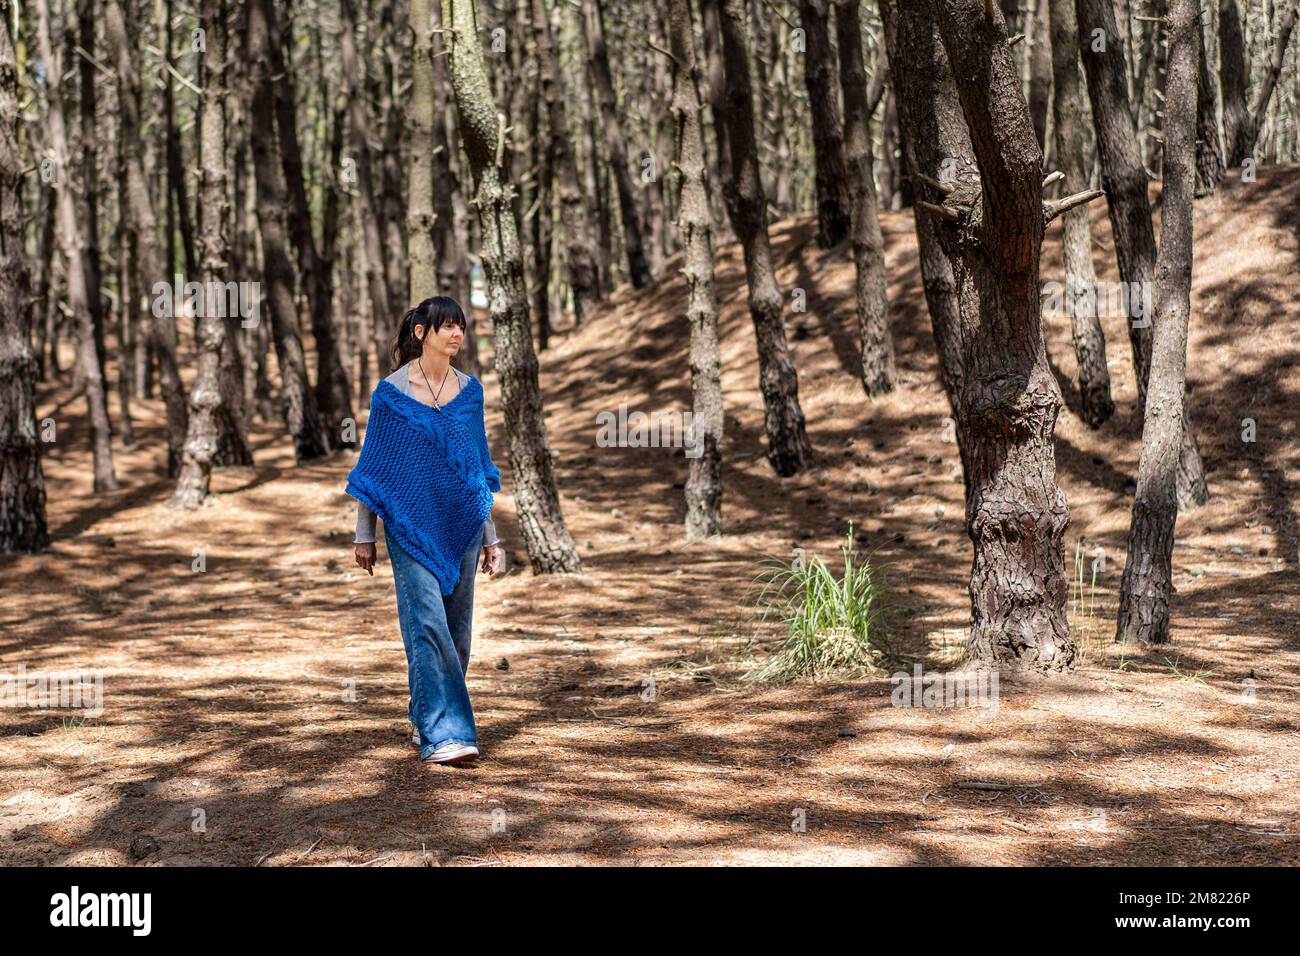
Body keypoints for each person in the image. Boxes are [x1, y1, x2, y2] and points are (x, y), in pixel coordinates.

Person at [347, 296, 504, 765]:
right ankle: (446, 735)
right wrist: (364, 534)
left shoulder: (471, 392)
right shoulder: (391, 396)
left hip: (462, 524)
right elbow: (374, 471)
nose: (457, 334)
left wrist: (492, 536)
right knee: (428, 626)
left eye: (461, 326)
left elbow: (476, 469)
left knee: (457, 634)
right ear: (422, 333)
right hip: (409, 526)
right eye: (447, 327)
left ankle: (422, 714)